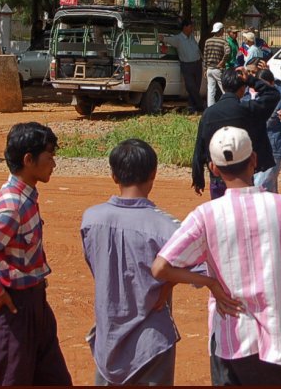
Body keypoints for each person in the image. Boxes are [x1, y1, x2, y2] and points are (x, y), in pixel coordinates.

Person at [152, 126, 281, 386]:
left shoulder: (205, 216)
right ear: (254, 160)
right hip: (279, 344)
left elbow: (160, 268)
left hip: (229, 343)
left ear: (213, 168)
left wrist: (211, 283)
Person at [0, 122, 73, 386]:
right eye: (49, 157)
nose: (54, 163)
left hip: (34, 303)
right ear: (29, 160)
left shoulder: (23, 195)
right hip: (15, 309)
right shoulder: (13, 205)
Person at [80, 139, 183, 386]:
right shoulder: (168, 227)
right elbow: (192, 266)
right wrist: (168, 284)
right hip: (152, 342)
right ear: (153, 174)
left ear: (114, 175)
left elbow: (95, 264)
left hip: (109, 337)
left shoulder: (91, 219)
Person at [191, 66, 280, 199]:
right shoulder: (249, 110)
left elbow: (200, 148)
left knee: (221, 217)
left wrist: (198, 178)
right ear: (243, 88)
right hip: (243, 178)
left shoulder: (208, 114)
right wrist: (251, 79)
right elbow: (273, 95)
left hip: (218, 177)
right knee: (244, 215)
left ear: (224, 85)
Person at [251, 69, 281, 193]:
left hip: (274, 151)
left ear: (272, 84)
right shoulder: (252, 101)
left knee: (260, 186)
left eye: (265, 84)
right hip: (256, 151)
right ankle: (275, 211)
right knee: (268, 188)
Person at [163, 18, 204, 114]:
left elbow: (197, 49)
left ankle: (191, 106)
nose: (192, 28)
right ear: (185, 27)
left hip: (197, 64)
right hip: (187, 65)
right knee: (191, 86)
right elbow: (167, 39)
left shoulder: (192, 37)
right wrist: (161, 38)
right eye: (190, 26)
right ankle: (200, 105)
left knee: (196, 87)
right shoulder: (178, 39)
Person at [203, 22, 231, 108]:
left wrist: (205, 69)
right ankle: (228, 106)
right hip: (218, 69)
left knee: (211, 90)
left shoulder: (208, 41)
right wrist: (222, 62)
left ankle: (210, 108)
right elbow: (228, 52)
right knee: (224, 89)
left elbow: (205, 55)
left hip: (209, 69)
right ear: (221, 30)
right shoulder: (223, 41)